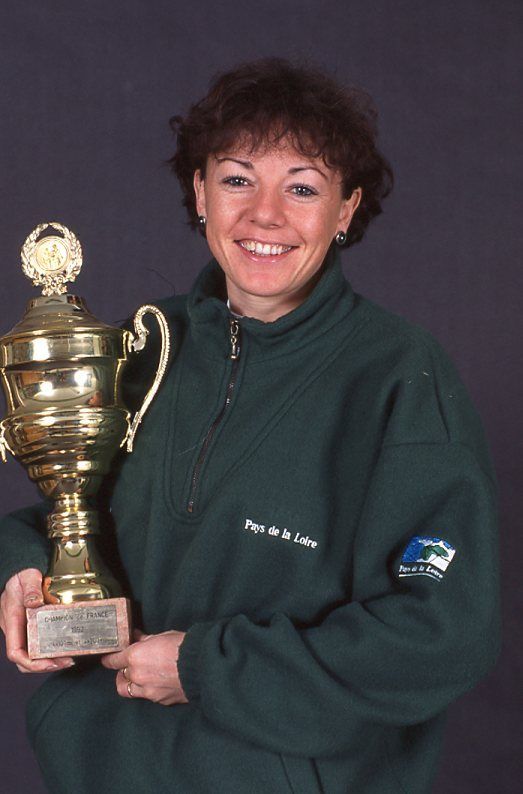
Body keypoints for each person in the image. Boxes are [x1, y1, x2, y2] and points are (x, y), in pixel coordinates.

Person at [0, 57, 501, 793]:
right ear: (199, 191)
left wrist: (207, 668)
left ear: (346, 209)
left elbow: (439, 633)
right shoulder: (144, 344)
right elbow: (70, 515)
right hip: (103, 772)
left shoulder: (398, 376)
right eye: (237, 179)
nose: (264, 214)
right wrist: (23, 570)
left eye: (301, 188)